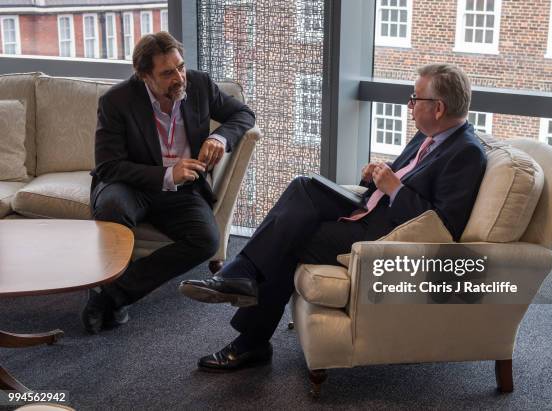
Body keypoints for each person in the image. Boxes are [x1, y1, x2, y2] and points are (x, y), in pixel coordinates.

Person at [179, 63, 486, 371]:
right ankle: (240, 275)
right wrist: (377, 176)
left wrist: (394, 188)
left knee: (293, 234)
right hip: (370, 207)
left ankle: (250, 335)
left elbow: (444, 228)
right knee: (304, 186)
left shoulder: (466, 153)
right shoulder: (428, 135)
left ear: (438, 108)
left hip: (384, 234)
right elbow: (407, 176)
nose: (409, 106)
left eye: (415, 99)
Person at [82, 32, 255, 334]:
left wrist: (219, 137)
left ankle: (112, 293)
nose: (179, 78)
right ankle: (111, 290)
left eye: (180, 67)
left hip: (183, 189)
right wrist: (166, 174)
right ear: (144, 75)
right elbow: (109, 166)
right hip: (131, 184)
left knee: (206, 240)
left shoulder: (199, 85)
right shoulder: (117, 100)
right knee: (111, 208)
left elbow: (244, 113)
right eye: (167, 73)